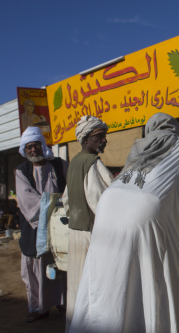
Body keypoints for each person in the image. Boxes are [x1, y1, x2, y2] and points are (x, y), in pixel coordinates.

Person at [69, 113, 179, 333]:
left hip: (108, 204)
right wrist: (175, 220)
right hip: (145, 210)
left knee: (110, 278)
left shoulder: (138, 145)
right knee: (154, 279)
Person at [63, 115, 113, 331]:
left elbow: (66, 199)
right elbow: (102, 202)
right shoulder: (92, 163)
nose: (104, 140)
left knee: (77, 286)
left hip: (75, 233)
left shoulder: (75, 162)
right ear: (85, 139)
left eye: (104, 136)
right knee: (94, 287)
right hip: (91, 235)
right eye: (99, 136)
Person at [15, 126, 67, 323]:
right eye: (28, 147)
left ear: (42, 145)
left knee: (62, 268)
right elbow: (28, 203)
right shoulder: (22, 171)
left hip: (61, 228)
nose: (33, 150)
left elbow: (72, 187)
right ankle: (39, 308)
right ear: (24, 149)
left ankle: (64, 305)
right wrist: (56, 202)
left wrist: (61, 202)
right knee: (35, 272)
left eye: (36, 145)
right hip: (35, 230)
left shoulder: (60, 165)